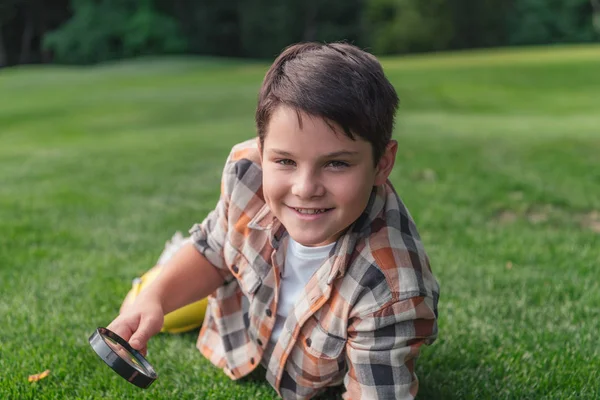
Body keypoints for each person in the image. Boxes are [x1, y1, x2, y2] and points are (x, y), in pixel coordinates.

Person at [108, 41, 440, 400]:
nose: (305, 188)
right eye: (285, 161)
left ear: (382, 164)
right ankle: (173, 273)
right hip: (247, 307)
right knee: (145, 304)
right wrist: (154, 299)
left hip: (315, 354)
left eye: (337, 163)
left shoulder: (391, 290)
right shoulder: (248, 170)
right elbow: (213, 250)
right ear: (262, 150)